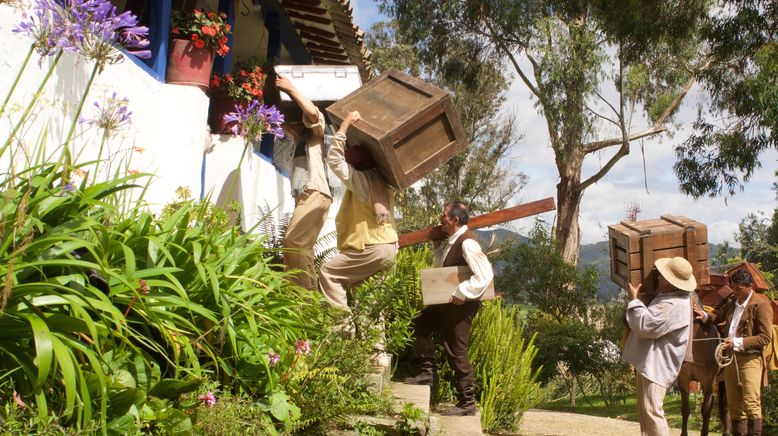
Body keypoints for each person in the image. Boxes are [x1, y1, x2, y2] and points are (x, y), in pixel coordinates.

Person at [404, 201, 494, 416]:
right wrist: (437, 249)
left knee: (456, 350)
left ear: (454, 220)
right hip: (447, 302)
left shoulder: (467, 243)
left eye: (443, 215)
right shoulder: (452, 240)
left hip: (461, 305)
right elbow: (444, 271)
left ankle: (467, 403)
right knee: (419, 323)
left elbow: (485, 275)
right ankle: (428, 373)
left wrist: (463, 292)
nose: (440, 218)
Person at [319, 111, 398, 313]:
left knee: (329, 273)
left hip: (371, 247)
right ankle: (375, 345)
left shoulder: (362, 181)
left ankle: (342, 328)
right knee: (367, 298)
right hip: (388, 248)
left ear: (356, 166)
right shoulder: (382, 182)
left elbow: (335, 160)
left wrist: (345, 125)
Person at [694, 269, 773, 436]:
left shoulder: (761, 304)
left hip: (750, 359)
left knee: (751, 402)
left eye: (738, 289)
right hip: (731, 359)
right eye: (733, 288)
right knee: (735, 405)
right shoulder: (732, 302)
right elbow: (718, 317)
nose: (735, 292)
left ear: (749, 286)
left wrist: (738, 341)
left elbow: (765, 337)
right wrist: (706, 316)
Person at [622, 257, 694, 436]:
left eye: (663, 277)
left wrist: (634, 300)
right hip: (650, 364)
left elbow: (646, 325)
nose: (659, 278)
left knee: (653, 410)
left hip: (658, 366)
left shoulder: (674, 305)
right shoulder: (669, 296)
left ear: (672, 283)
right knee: (645, 411)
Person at [276, 74, 332, 291]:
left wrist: (290, 88)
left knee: (293, 241)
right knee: (302, 247)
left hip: (315, 191)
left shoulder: (318, 131)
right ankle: (306, 302)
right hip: (308, 195)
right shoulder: (301, 140)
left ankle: (305, 296)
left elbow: (311, 112)